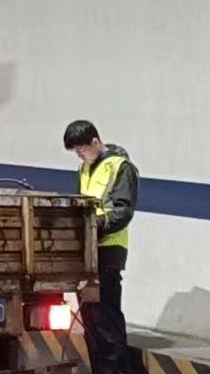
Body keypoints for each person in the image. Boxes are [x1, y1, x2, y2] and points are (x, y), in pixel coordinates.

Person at [65, 120, 142, 374]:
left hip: (108, 251)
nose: (79, 155)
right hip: (87, 252)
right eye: (75, 151)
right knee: (91, 323)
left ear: (95, 142)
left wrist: (94, 224)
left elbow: (122, 211)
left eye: (81, 149)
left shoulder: (121, 167)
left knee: (106, 322)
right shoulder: (84, 169)